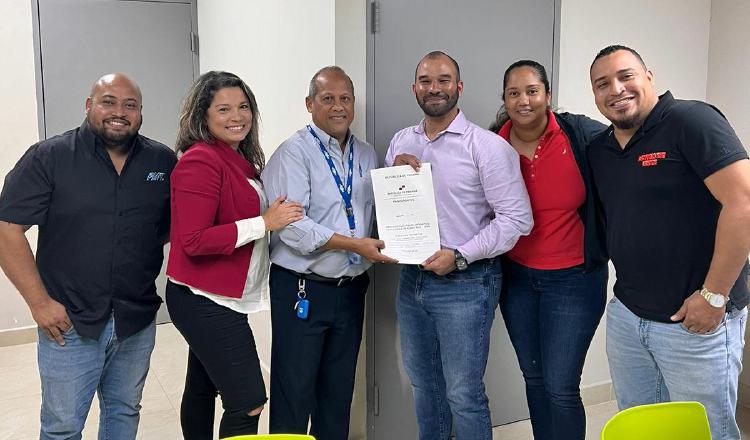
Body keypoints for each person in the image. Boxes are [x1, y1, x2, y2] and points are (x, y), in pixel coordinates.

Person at [0, 73, 175, 439]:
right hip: (69, 322)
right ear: (88, 105)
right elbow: (7, 229)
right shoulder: (50, 157)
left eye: (131, 105)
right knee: (63, 427)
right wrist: (39, 303)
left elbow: (169, 228)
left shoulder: (161, 160)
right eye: (108, 101)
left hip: (136, 319)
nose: (119, 112)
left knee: (124, 412)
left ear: (141, 113)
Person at [588, 45, 750, 440]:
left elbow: (743, 202)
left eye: (626, 76)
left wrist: (714, 296)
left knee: (703, 433)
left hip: (695, 322)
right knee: (643, 429)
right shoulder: (601, 149)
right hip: (628, 316)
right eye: (602, 83)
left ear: (649, 76)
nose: (616, 89)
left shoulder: (690, 120)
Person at [385, 51, 533, 440]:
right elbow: (391, 209)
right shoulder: (402, 141)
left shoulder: (486, 147)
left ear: (459, 87)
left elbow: (518, 219)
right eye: (426, 80)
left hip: (466, 284)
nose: (434, 88)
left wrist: (461, 255)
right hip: (412, 281)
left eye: (444, 80)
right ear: (415, 88)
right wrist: (391, 175)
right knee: (423, 385)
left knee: (463, 393)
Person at [165, 71, 303, 439]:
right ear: (203, 116)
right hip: (203, 298)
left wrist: (268, 215)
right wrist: (264, 222)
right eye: (223, 109)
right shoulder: (200, 161)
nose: (236, 116)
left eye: (243, 107)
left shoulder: (236, 157)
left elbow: (233, 209)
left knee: (202, 385)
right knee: (248, 400)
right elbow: (193, 239)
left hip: (217, 295)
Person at [262, 66, 394, 440]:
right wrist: (353, 244)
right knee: (294, 391)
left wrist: (400, 178)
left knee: (337, 393)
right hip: (302, 289)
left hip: (350, 289)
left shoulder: (366, 154)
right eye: (328, 99)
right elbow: (291, 227)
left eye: (345, 99)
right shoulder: (293, 153)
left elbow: (377, 210)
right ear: (310, 104)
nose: (338, 107)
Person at [488, 60, 608, 440]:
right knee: (535, 378)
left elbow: (629, 150)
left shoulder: (578, 134)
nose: (524, 100)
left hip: (575, 278)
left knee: (561, 385)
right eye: (514, 93)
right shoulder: (492, 143)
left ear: (548, 96)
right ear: (505, 99)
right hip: (517, 277)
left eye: (532, 91)